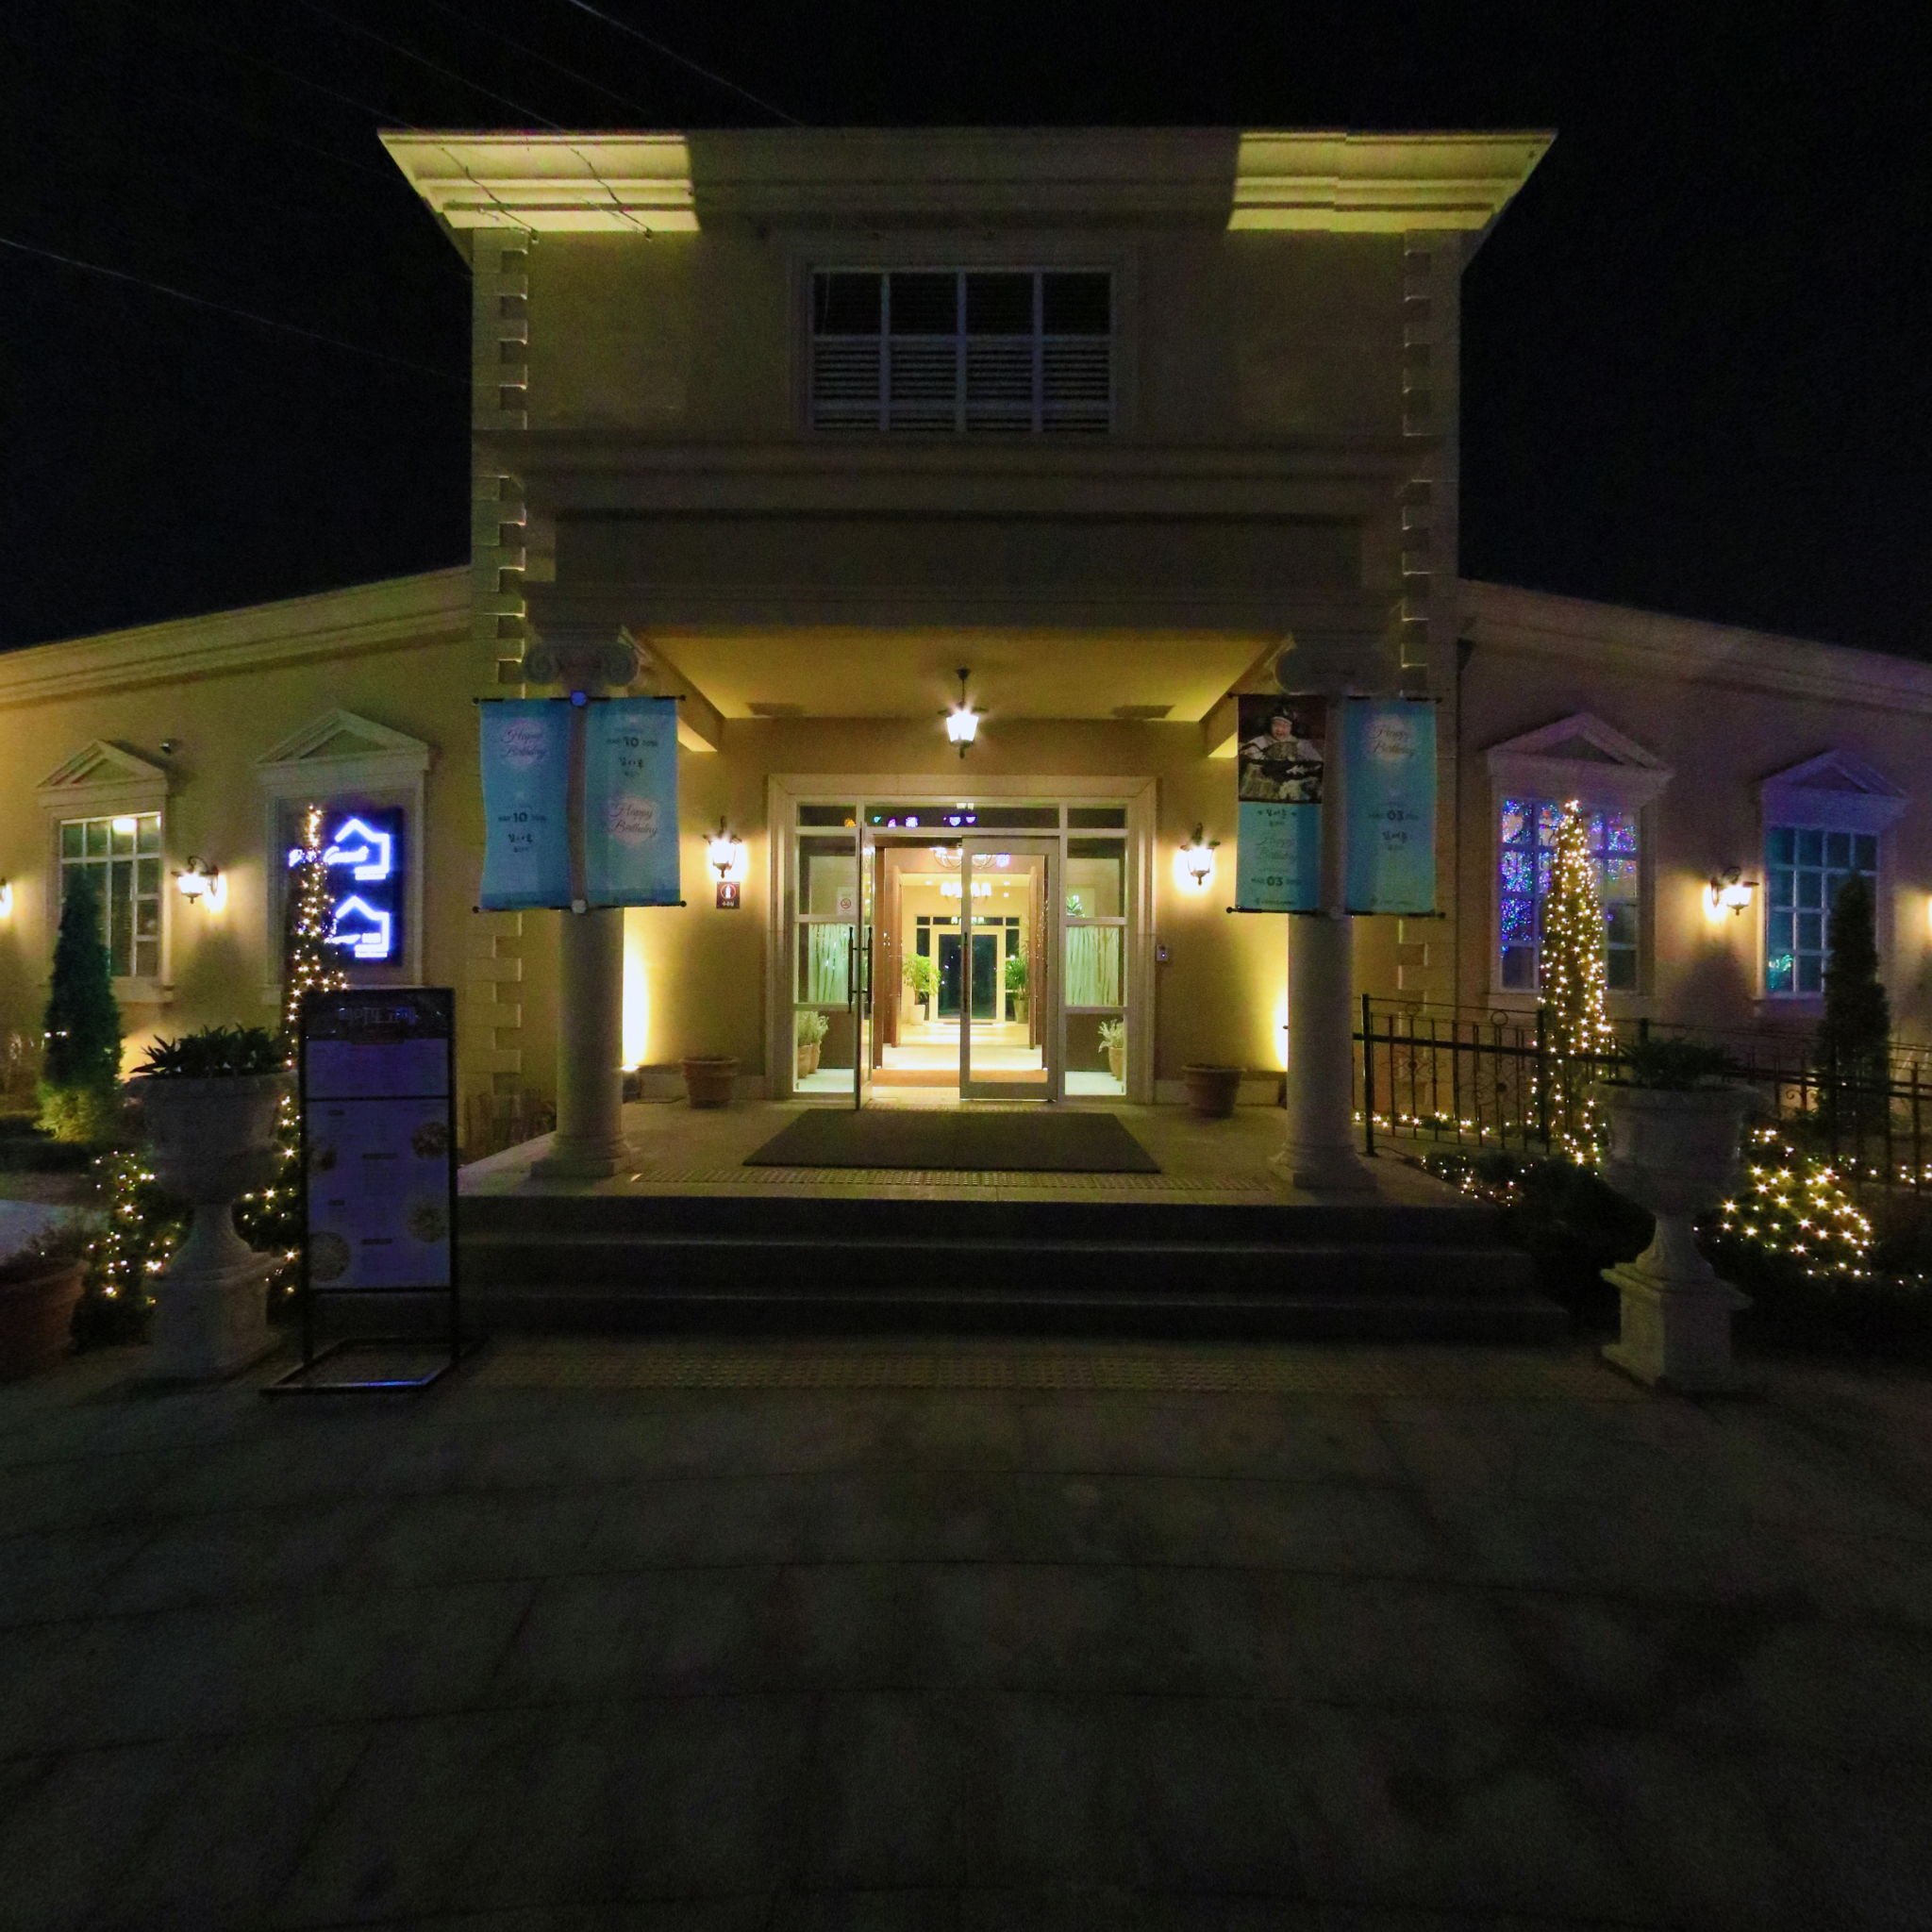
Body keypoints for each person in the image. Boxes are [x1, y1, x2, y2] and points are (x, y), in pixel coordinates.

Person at [1238, 707, 1323, 802]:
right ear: (1270, 724)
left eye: (1285, 726)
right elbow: (1247, 762)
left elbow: (1317, 763)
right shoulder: (1258, 742)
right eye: (1276, 725)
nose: (1280, 729)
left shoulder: (1301, 745)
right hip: (1263, 791)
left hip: (1291, 790)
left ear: (1291, 728)